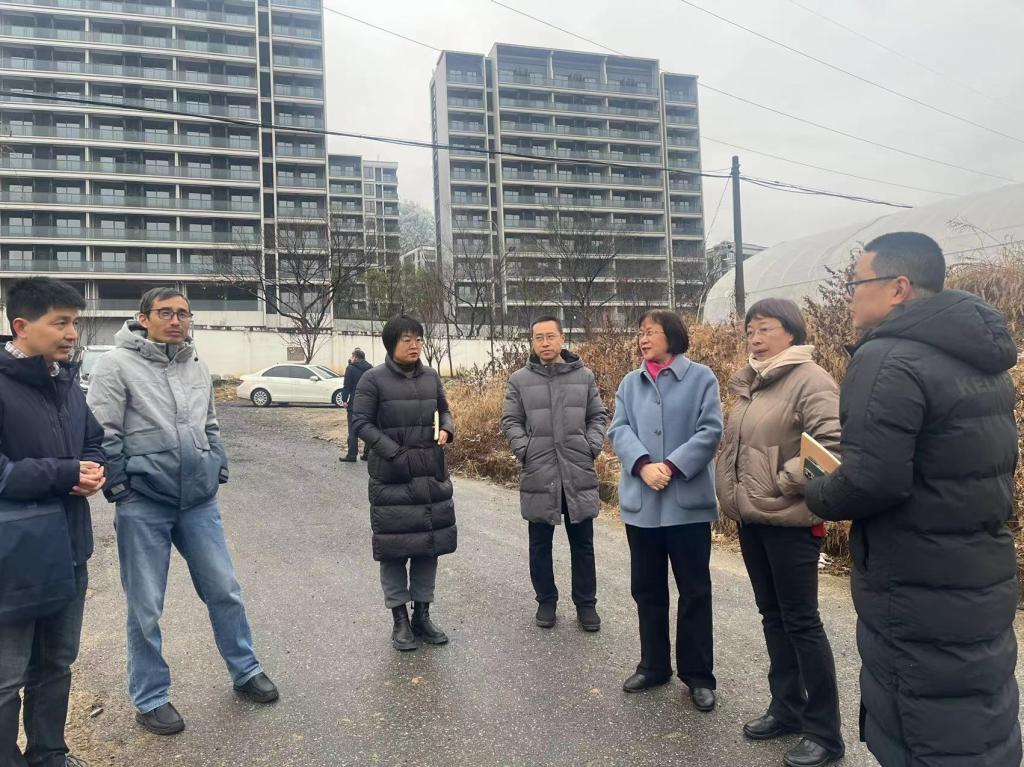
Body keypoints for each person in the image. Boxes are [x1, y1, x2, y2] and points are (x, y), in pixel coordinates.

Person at [805, 232, 1020, 767]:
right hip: (979, 566)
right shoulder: (981, 359)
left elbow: (872, 481)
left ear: (898, 287)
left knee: (921, 715)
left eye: (857, 282)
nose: (849, 294)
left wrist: (817, 489)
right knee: (976, 698)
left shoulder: (886, 358)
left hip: (914, 577)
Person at [87, 287, 278, 737]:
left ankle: (245, 670)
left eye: (183, 314)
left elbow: (210, 423)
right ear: (143, 318)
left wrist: (217, 464)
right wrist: (120, 487)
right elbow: (102, 431)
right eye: (166, 313)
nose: (176, 321)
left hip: (198, 502)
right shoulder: (117, 365)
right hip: (143, 503)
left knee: (224, 589)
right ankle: (150, 697)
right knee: (145, 606)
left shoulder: (195, 363)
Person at [716, 298, 844, 767]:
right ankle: (787, 708)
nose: (755, 338)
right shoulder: (754, 382)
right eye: (750, 330)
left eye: (765, 328)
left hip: (791, 522)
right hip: (753, 520)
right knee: (772, 617)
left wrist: (782, 482)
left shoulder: (811, 380)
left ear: (791, 331)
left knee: (802, 623)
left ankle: (825, 733)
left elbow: (833, 446)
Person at [0, 278, 105, 767]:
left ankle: (49, 755)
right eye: (60, 322)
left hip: (70, 549)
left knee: (57, 664)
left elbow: (93, 440)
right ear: (22, 326)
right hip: (14, 557)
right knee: (6, 677)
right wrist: (65, 474)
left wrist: (94, 468)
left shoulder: (66, 381)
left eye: (74, 322)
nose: (71, 333)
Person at [608, 310, 723, 712]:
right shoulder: (630, 382)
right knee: (647, 588)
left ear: (672, 336)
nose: (643, 338)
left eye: (651, 332)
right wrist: (642, 464)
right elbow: (619, 429)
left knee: (694, 590)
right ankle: (653, 665)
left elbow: (710, 430)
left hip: (687, 505)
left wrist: (671, 466)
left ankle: (698, 676)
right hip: (643, 505)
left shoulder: (701, 378)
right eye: (640, 333)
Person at [350, 315, 456, 651]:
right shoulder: (373, 379)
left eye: (418, 339)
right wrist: (395, 453)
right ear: (391, 343)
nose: (414, 345)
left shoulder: (431, 377)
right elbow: (360, 423)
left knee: (429, 547)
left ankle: (422, 615)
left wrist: (447, 429)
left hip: (430, 473)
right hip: (392, 478)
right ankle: (400, 620)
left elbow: (445, 410)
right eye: (407, 339)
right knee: (394, 550)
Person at [501, 315, 608, 631]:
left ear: (563, 338)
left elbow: (598, 416)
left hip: (577, 468)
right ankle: (546, 601)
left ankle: (586, 605)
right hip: (539, 470)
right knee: (539, 544)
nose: (545, 343)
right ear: (532, 342)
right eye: (539, 338)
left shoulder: (583, 376)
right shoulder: (519, 380)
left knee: (583, 544)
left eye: (550, 336)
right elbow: (511, 420)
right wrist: (526, 450)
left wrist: (590, 447)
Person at [338, 348, 372, 463]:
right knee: (368, 428)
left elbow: (347, 385)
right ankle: (367, 454)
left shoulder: (350, 368)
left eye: (352, 356)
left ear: (355, 357)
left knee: (353, 429)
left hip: (354, 402)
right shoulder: (370, 368)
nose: (351, 358)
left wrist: (344, 399)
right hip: (368, 403)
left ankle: (352, 455)